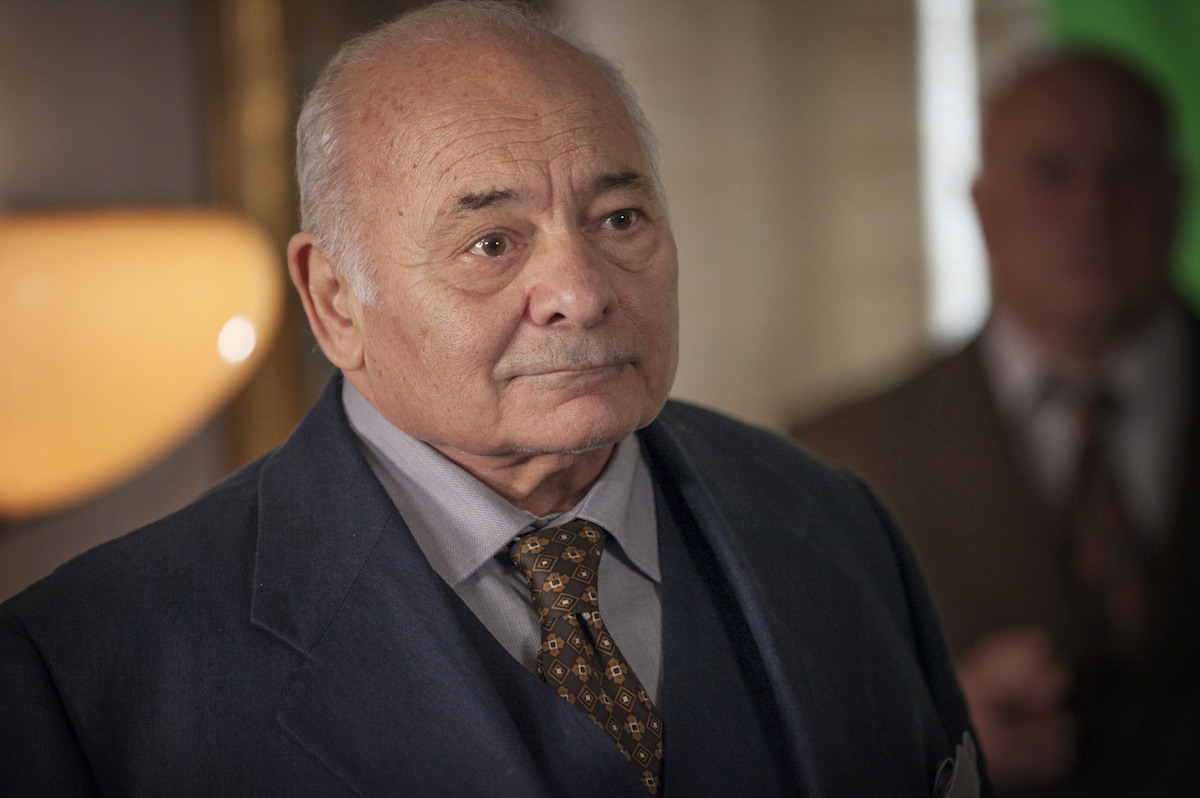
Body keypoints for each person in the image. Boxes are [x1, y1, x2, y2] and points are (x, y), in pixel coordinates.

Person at [0, 3, 984, 796]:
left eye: (620, 218)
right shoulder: (88, 667)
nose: (582, 292)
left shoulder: (837, 524)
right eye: (492, 243)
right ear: (335, 302)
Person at [792, 50, 1200, 796]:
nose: (1092, 208)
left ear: (1178, 194)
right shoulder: (834, 459)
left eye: (1128, 172)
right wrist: (922, 742)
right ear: (982, 205)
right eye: (1050, 172)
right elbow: (788, 749)